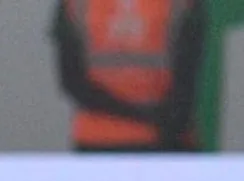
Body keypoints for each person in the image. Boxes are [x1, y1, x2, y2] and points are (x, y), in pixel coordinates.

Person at [51, 0, 206, 152]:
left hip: (98, 138)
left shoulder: (74, 4)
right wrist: (158, 120)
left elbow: (73, 82)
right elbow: (186, 83)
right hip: (164, 138)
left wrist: (139, 115)